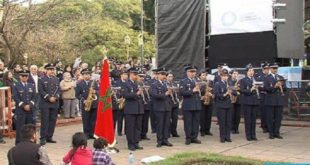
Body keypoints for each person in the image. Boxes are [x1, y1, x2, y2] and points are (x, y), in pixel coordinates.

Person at [121, 67, 144, 151]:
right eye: (135, 74)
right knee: (130, 127)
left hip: (138, 108)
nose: (136, 76)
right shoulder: (125, 83)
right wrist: (136, 94)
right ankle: (130, 144)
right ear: (130, 74)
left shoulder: (137, 83)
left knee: (138, 127)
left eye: (136, 74)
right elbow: (125, 95)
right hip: (130, 108)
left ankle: (136, 142)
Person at [179, 65, 202, 145]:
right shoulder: (183, 81)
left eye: (194, 72)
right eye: (191, 72)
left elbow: (201, 92)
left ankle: (194, 137)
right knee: (188, 122)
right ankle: (188, 138)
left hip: (197, 104)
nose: (193, 73)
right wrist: (192, 90)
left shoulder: (197, 80)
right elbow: (182, 93)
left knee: (196, 122)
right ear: (187, 72)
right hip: (188, 105)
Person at [150, 68, 173, 147]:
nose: (164, 76)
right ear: (158, 75)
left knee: (166, 124)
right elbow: (154, 95)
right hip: (159, 107)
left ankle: (165, 139)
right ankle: (159, 140)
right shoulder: (154, 84)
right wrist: (165, 94)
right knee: (160, 124)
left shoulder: (167, 84)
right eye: (162, 74)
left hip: (167, 107)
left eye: (165, 75)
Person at [38, 63, 60, 145]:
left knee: (53, 120)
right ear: (46, 70)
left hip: (55, 103)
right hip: (45, 103)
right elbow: (41, 90)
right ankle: (43, 137)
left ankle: (49, 136)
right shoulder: (41, 79)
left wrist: (56, 97)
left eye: (52, 69)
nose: (51, 71)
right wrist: (48, 97)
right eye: (50, 69)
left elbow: (59, 90)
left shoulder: (56, 79)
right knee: (45, 120)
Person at [12, 70, 36, 144]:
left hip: (30, 110)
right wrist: (23, 105)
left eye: (26, 76)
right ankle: (19, 143)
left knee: (30, 127)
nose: (25, 77)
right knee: (20, 127)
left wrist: (30, 105)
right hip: (21, 110)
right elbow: (16, 97)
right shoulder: (16, 86)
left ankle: (30, 142)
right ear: (20, 77)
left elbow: (34, 97)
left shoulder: (31, 85)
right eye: (23, 76)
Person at [264, 62, 286, 139]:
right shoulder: (267, 78)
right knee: (270, 118)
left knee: (278, 118)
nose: (275, 70)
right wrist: (274, 86)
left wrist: (281, 86)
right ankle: (271, 133)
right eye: (273, 68)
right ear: (270, 69)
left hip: (279, 101)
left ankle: (277, 132)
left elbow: (285, 89)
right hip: (270, 101)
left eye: (276, 68)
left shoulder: (280, 77)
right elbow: (266, 89)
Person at [76, 68, 99, 139]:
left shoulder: (94, 82)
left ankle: (92, 133)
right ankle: (86, 133)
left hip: (94, 103)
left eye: (88, 74)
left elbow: (99, 91)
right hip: (85, 103)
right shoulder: (79, 84)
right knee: (86, 119)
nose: (87, 76)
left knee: (93, 119)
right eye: (85, 74)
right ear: (82, 75)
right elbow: (77, 94)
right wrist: (83, 100)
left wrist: (95, 92)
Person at [239, 64, 260, 141]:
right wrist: (250, 90)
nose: (252, 72)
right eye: (250, 71)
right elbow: (242, 90)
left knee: (253, 119)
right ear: (247, 72)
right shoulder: (243, 80)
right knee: (248, 119)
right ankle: (248, 135)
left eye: (252, 70)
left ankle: (253, 134)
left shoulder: (255, 79)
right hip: (247, 102)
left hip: (255, 101)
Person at [214, 69, 232, 143]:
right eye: (223, 76)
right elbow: (217, 94)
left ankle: (228, 136)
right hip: (221, 105)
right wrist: (225, 94)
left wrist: (232, 92)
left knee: (228, 122)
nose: (225, 77)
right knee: (222, 122)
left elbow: (233, 92)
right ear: (221, 76)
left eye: (226, 76)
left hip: (228, 105)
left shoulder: (229, 83)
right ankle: (222, 137)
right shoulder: (217, 84)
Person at [255, 62, 270, 133]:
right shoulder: (259, 76)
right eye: (266, 69)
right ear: (263, 69)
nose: (267, 70)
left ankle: (269, 126)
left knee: (269, 112)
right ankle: (264, 126)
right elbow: (259, 87)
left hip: (269, 95)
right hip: (262, 96)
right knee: (263, 112)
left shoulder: (270, 76)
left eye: (268, 69)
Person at [199, 69, 214, 136]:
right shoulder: (198, 82)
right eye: (203, 75)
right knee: (202, 117)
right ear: (200, 76)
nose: (205, 76)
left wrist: (211, 91)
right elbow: (199, 91)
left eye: (205, 75)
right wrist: (204, 88)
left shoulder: (210, 82)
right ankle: (202, 130)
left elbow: (213, 90)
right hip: (202, 101)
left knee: (208, 116)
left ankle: (207, 130)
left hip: (209, 101)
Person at [138, 70, 152, 140]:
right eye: (140, 76)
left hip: (146, 105)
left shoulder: (146, 83)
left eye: (143, 77)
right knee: (140, 121)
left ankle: (144, 134)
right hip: (140, 105)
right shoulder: (136, 84)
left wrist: (148, 90)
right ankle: (139, 134)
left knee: (145, 121)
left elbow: (150, 93)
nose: (142, 78)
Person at [166, 73, 180, 137]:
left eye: (172, 76)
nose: (171, 78)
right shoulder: (165, 84)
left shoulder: (174, 84)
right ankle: (168, 132)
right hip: (169, 103)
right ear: (166, 77)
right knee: (168, 119)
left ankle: (174, 132)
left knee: (175, 119)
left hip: (175, 103)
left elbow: (178, 92)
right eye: (169, 76)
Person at [228, 69, 242, 134]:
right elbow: (229, 88)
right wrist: (235, 91)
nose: (235, 75)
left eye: (236, 74)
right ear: (231, 74)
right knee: (232, 115)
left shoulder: (239, 81)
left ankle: (236, 128)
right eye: (234, 73)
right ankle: (231, 128)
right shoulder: (229, 81)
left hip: (238, 100)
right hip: (231, 99)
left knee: (238, 115)